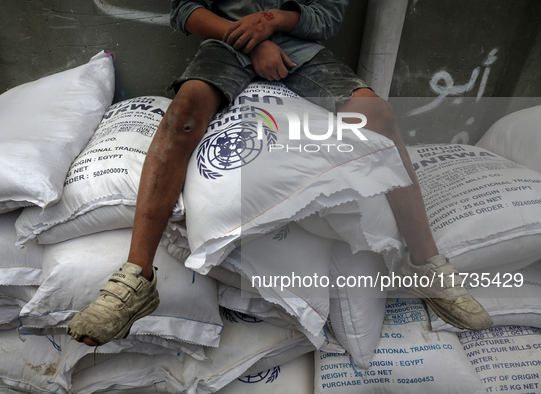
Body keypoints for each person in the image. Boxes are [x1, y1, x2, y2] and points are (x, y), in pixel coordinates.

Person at [67, 0, 492, 346]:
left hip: (301, 52)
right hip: (223, 46)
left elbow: (327, 15)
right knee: (181, 114)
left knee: (377, 114)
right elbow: (185, 10)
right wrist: (249, 41)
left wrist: (269, 23)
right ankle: (136, 279)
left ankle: (427, 264)